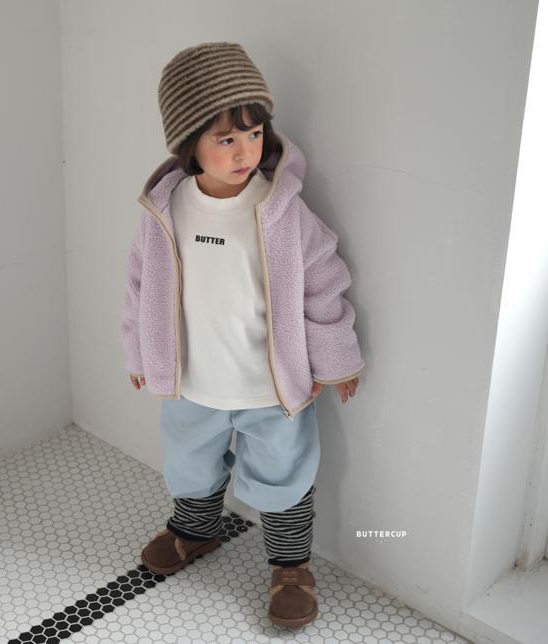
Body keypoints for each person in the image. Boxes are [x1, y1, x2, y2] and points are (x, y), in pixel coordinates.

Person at [120, 41, 365, 628]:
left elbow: (323, 282)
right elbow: (140, 287)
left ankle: (290, 567)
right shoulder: (166, 211)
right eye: (226, 139)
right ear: (189, 145)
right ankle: (194, 529)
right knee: (189, 463)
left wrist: (335, 359)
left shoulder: (281, 210)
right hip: (193, 382)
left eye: (254, 134)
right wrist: (140, 352)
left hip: (269, 386)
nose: (245, 151)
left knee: (284, 475)